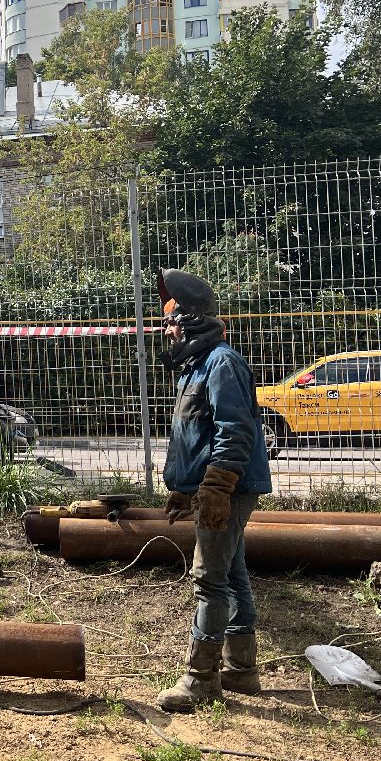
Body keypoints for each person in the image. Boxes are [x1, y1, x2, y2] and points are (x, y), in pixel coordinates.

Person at [155, 268, 272, 713]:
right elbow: (196, 435)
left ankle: (200, 679)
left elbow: (235, 430)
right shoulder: (197, 366)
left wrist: (218, 488)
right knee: (232, 572)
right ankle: (241, 669)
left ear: (190, 321)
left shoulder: (221, 363)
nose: (167, 330)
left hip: (229, 489)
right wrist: (186, 489)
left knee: (209, 580)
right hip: (214, 488)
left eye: (170, 322)